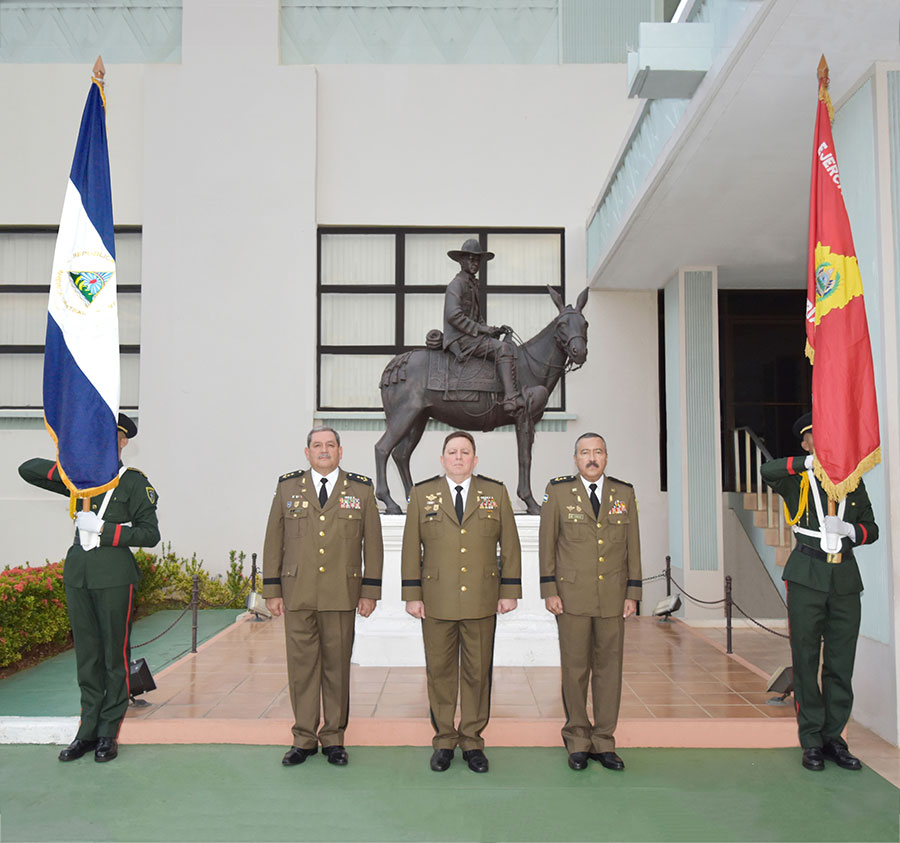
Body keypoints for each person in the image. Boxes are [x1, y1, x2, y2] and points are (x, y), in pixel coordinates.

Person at [18, 413, 160, 763]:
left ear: (123, 442)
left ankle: (108, 732)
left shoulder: (133, 483)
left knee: (115, 657)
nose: (102, 444)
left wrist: (105, 530)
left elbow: (150, 534)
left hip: (114, 577)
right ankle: (87, 730)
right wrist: (71, 458)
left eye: (109, 438)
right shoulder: (78, 480)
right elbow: (28, 469)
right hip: (78, 575)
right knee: (88, 657)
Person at [760, 412, 878, 772]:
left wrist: (850, 530)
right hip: (807, 577)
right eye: (815, 438)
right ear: (805, 443)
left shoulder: (852, 483)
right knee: (806, 660)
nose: (824, 443)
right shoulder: (797, 481)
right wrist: (808, 464)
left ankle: (833, 737)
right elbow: (769, 472)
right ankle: (811, 738)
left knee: (841, 664)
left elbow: (872, 529)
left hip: (844, 578)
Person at [262, 426, 383, 767]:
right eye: (318, 446)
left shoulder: (360, 489)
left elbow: (371, 543)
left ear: (340, 451)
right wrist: (272, 590)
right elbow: (274, 540)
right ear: (307, 452)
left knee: (336, 668)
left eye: (331, 445)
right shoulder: (287, 487)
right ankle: (303, 738)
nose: (324, 451)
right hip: (298, 593)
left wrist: (369, 591)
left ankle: (333, 738)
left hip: (342, 595)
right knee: (302, 669)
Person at [401, 431, 521, 773]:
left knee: (477, 672)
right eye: (452, 452)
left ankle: (471, 741)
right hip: (436, 600)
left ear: (475, 459)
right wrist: (412, 595)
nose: (458, 458)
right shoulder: (422, 494)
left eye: (465, 452)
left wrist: (509, 590)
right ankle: (443, 741)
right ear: (442, 459)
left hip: (482, 599)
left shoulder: (494, 493)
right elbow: (412, 548)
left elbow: (510, 545)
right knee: (439, 672)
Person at [538, 432, 642, 772]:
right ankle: (578, 739)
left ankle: (604, 741)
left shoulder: (624, 493)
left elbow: (633, 547)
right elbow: (547, 545)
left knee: (609, 670)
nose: (591, 458)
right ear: (575, 458)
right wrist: (549, 590)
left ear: (606, 457)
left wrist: (633, 593)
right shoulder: (558, 492)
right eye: (585, 452)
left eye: (598, 452)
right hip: (571, 597)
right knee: (576, 669)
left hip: (612, 596)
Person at [443, 239, 523, 414]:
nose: (474, 263)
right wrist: (482, 330)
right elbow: (453, 315)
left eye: (477, 260)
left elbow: (476, 317)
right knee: (503, 349)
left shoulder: (472, 284)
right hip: (460, 338)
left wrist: (491, 329)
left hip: (470, 336)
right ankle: (510, 397)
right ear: (461, 261)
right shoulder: (456, 284)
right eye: (470, 259)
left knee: (502, 342)